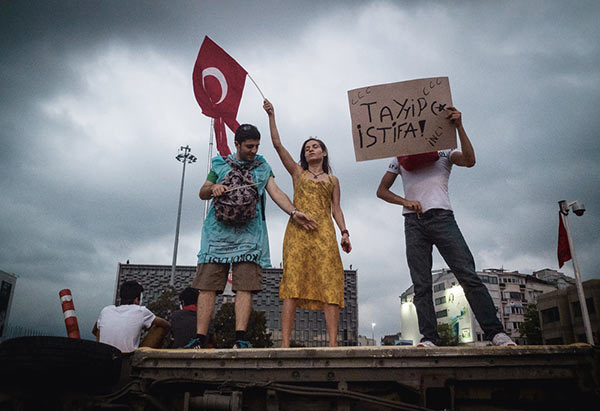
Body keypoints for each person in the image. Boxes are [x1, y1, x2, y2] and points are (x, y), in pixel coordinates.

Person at [376, 107, 515, 347]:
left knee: (467, 274)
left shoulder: (444, 150)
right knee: (421, 284)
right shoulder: (399, 157)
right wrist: (404, 201)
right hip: (413, 222)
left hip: (442, 217)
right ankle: (429, 337)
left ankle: (496, 333)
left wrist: (459, 126)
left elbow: (470, 161)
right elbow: (382, 191)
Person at [185, 123, 317, 349]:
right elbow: (202, 192)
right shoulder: (220, 164)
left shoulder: (262, 167)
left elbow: (276, 192)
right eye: (249, 146)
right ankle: (199, 338)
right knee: (207, 287)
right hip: (216, 237)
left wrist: (294, 212)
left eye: (256, 146)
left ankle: (240, 338)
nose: (254, 150)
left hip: (249, 237)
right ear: (237, 144)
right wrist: (215, 187)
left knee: (244, 287)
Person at [263, 99, 351, 348]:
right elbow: (278, 146)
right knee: (293, 281)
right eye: (307, 148)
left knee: (330, 281)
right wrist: (272, 116)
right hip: (298, 232)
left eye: (316, 147)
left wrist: (344, 232)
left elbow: (336, 209)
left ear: (323, 153)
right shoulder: (297, 173)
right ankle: (285, 344)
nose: (311, 150)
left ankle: (333, 343)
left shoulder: (333, 180)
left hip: (324, 233)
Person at [92, 280, 171, 353]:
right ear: (137, 300)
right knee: (161, 327)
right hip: (127, 358)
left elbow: (95, 330)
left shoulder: (106, 310)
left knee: (100, 325)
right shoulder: (140, 311)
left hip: (105, 355)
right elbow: (165, 324)